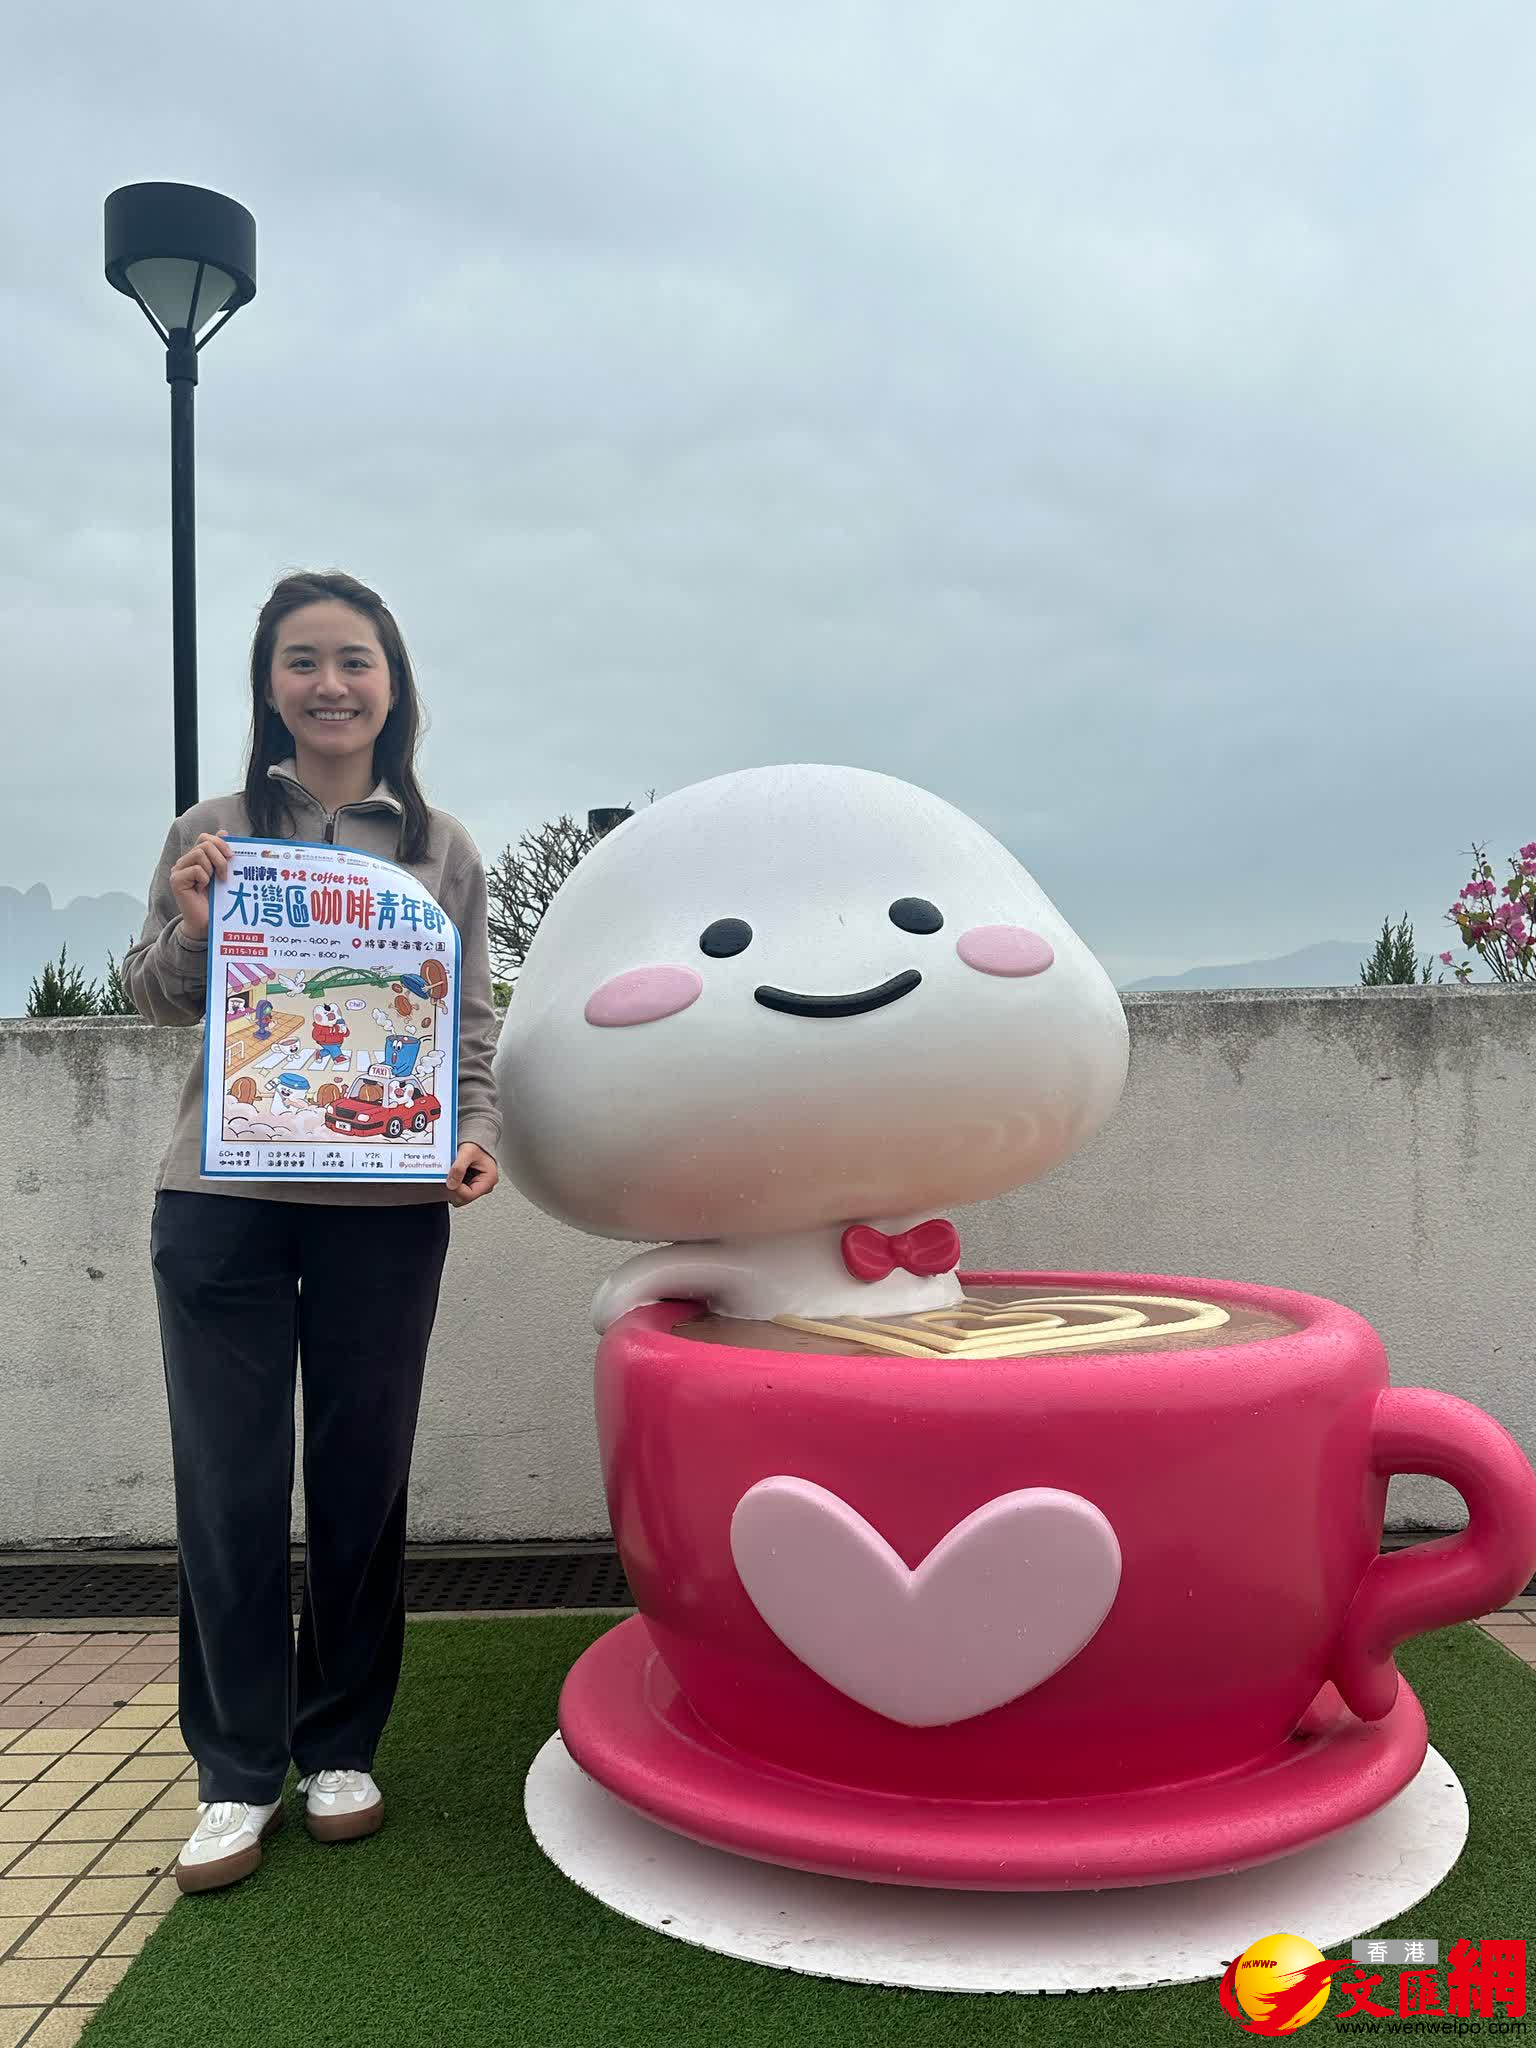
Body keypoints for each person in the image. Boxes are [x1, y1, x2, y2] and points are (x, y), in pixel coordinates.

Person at [124, 569, 501, 1894]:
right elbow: (155, 997)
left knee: (360, 1480)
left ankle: (339, 1747)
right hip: (219, 1204)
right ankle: (235, 1772)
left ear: (393, 687)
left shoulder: (445, 849)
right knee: (227, 1490)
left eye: (353, 660)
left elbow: (467, 1023)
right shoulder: (214, 829)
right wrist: (191, 924)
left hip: (386, 1212)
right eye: (301, 661)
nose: (329, 684)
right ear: (269, 686)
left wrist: (473, 1130)